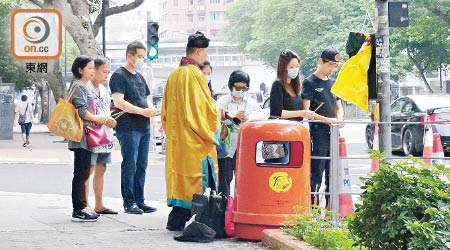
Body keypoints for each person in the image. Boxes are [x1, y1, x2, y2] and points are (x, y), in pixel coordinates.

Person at [161, 31, 219, 231]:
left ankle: (175, 221)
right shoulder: (195, 75)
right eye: (205, 52)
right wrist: (216, 125)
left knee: (180, 181)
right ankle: (200, 223)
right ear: (200, 51)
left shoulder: (174, 74)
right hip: (195, 141)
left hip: (178, 142)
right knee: (199, 182)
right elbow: (205, 109)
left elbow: (165, 112)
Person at [109, 41, 158, 214]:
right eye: (139, 57)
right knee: (130, 164)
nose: (141, 60)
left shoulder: (139, 76)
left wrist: (150, 109)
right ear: (129, 55)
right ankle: (129, 203)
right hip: (128, 127)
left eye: (143, 57)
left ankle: (140, 200)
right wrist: (142, 111)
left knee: (142, 165)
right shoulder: (118, 76)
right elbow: (119, 101)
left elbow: (146, 97)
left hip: (144, 127)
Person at [68, 55, 116, 222]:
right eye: (89, 68)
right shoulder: (80, 86)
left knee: (82, 174)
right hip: (82, 136)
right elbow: (82, 112)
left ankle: (82, 207)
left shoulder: (79, 85)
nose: (92, 71)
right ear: (80, 70)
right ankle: (79, 209)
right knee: (81, 174)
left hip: (84, 136)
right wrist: (100, 119)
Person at [301, 47, 344, 206]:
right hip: (318, 134)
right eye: (329, 65)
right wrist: (327, 120)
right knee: (317, 172)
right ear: (320, 62)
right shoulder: (309, 82)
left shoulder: (334, 83)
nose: (331, 69)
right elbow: (306, 111)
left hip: (334, 132)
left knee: (333, 173)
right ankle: (312, 210)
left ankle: (330, 211)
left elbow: (339, 106)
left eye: (334, 66)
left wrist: (339, 119)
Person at [216, 70, 261, 197]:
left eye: (244, 87)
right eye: (238, 87)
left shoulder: (252, 103)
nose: (240, 90)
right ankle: (223, 208)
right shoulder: (222, 102)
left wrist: (248, 119)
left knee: (246, 180)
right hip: (227, 147)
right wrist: (233, 118)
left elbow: (259, 121)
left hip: (246, 147)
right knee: (225, 180)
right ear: (231, 85)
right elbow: (215, 122)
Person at [84, 57, 118, 215]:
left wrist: (110, 120)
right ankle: (85, 204)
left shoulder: (104, 90)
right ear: (94, 70)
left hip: (105, 135)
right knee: (88, 169)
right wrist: (104, 120)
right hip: (91, 135)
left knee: (101, 167)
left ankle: (99, 204)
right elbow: (85, 112)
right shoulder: (85, 88)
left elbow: (105, 110)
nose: (106, 75)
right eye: (104, 72)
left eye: (108, 72)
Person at [269, 49, 315, 121]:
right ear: (283, 68)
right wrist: (301, 113)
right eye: (291, 67)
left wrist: (307, 113)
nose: (295, 69)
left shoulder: (295, 86)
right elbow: (277, 113)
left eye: (297, 66)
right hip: (284, 129)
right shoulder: (277, 85)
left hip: (297, 128)